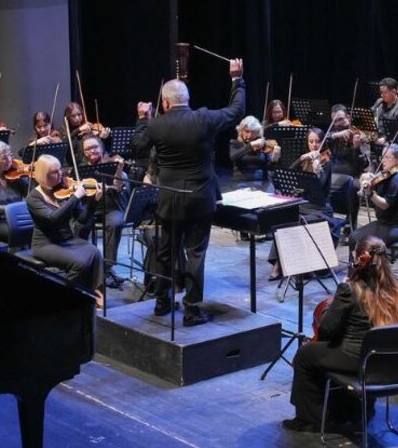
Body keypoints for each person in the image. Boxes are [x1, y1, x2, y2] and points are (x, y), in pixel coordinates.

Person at [131, 58, 246, 326]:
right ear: (186, 99)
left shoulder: (156, 124)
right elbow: (236, 110)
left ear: (165, 103)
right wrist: (237, 79)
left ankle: (162, 301)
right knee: (196, 253)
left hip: (169, 198)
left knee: (165, 252)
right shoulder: (203, 118)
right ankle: (192, 310)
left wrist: (141, 120)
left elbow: (137, 148)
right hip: (200, 197)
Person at [283, 236, 398, 432]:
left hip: (357, 357)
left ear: (359, 259)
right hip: (384, 358)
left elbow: (327, 330)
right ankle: (354, 411)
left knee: (305, 355)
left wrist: (341, 293)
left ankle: (312, 419)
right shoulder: (396, 286)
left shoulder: (350, 289)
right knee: (323, 351)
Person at [267, 127, 345, 281]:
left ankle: (301, 266)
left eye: (317, 141)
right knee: (285, 220)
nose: (314, 145)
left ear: (323, 142)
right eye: (311, 141)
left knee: (299, 223)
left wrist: (317, 171)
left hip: (320, 207)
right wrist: (303, 157)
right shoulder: (306, 159)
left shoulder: (326, 162)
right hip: (303, 204)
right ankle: (278, 263)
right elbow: (289, 172)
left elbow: (321, 189)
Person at [26, 155, 103, 305]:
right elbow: (53, 219)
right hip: (45, 243)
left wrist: (94, 202)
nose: (60, 174)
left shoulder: (64, 189)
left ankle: (93, 293)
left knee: (94, 252)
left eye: (60, 170)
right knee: (79, 264)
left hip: (67, 238)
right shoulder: (33, 198)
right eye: (55, 172)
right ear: (44, 175)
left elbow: (81, 219)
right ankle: (63, 298)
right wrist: (75, 197)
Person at [78, 134, 129, 289]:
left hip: (110, 206)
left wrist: (119, 169)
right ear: (83, 152)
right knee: (79, 224)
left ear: (101, 147)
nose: (92, 151)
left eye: (95, 147)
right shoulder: (80, 169)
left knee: (115, 223)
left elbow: (119, 186)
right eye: (88, 149)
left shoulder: (111, 164)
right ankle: (80, 264)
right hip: (90, 206)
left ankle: (107, 269)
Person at [353, 144, 398, 248]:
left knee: (368, 244)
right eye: (382, 157)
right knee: (353, 237)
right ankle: (357, 264)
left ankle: (375, 264)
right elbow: (372, 187)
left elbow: (385, 205)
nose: (382, 161)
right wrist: (365, 179)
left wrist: (370, 193)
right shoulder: (386, 175)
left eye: (387, 157)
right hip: (384, 222)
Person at [324, 105, 370, 227]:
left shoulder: (359, 136)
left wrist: (357, 148)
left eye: (341, 119)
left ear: (348, 117)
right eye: (335, 121)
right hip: (333, 173)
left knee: (355, 185)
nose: (338, 124)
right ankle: (324, 218)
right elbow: (321, 139)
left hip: (353, 174)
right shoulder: (332, 135)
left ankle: (351, 222)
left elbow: (364, 164)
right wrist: (335, 136)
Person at [229, 115, 279, 189]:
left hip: (262, 182)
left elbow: (269, 167)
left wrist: (274, 160)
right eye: (247, 131)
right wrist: (251, 145)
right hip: (241, 182)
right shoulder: (235, 143)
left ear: (258, 132)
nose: (249, 135)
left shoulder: (263, 144)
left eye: (253, 132)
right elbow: (233, 157)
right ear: (241, 130)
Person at [371, 77, 398, 145]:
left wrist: (385, 139)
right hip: (376, 137)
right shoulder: (379, 101)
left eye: (385, 92)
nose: (382, 95)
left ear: (394, 91)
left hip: (391, 141)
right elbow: (370, 118)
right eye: (381, 92)